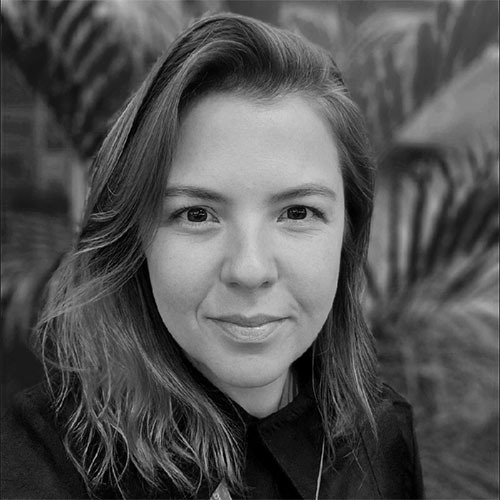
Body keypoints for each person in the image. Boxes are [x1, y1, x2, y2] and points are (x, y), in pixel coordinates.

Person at [1, 13, 424, 500]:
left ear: (348, 232)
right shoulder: (36, 464)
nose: (250, 269)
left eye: (297, 212)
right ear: (136, 235)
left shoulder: (381, 435)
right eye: (197, 214)